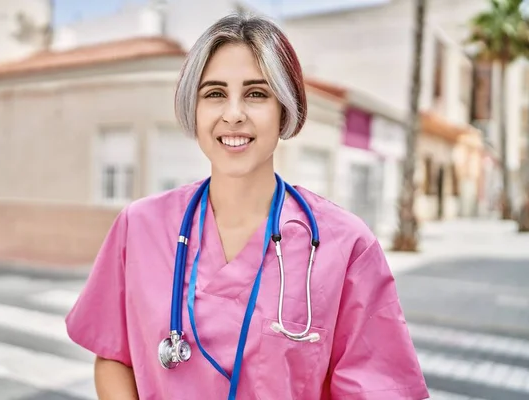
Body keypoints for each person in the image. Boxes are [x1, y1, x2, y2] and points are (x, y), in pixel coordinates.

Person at [65, 13, 430, 400]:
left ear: (284, 110)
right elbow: (113, 357)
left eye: (256, 94)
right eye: (214, 94)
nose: (233, 113)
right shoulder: (139, 226)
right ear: (195, 108)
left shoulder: (346, 246)